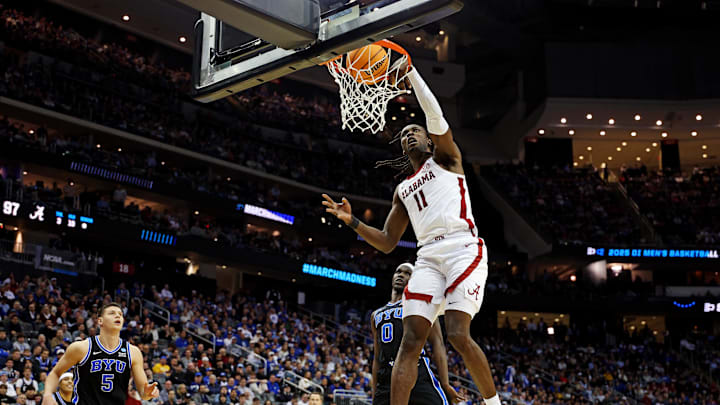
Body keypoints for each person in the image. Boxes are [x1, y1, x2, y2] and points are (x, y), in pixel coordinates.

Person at [321, 60, 500, 405]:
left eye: (415, 131)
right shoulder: (402, 190)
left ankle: (493, 403)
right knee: (411, 340)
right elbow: (388, 241)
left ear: (429, 142)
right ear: (403, 149)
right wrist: (352, 221)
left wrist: (411, 74)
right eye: (404, 134)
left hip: (463, 246)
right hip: (428, 257)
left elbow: (436, 117)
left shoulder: (447, 159)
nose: (410, 134)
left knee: (458, 334)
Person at [371, 263, 460, 405]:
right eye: (398, 271)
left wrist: (445, 384)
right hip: (387, 375)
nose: (401, 275)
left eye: (407, 273)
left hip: (417, 370)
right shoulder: (376, 314)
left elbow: (438, 344)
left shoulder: (423, 304)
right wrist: (375, 390)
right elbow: (377, 358)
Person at [41, 302, 159, 405]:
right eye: (112, 313)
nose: (118, 315)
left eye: (120, 314)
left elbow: (144, 393)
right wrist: (47, 395)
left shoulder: (133, 352)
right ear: (100, 321)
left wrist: (149, 393)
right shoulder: (82, 348)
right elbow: (55, 373)